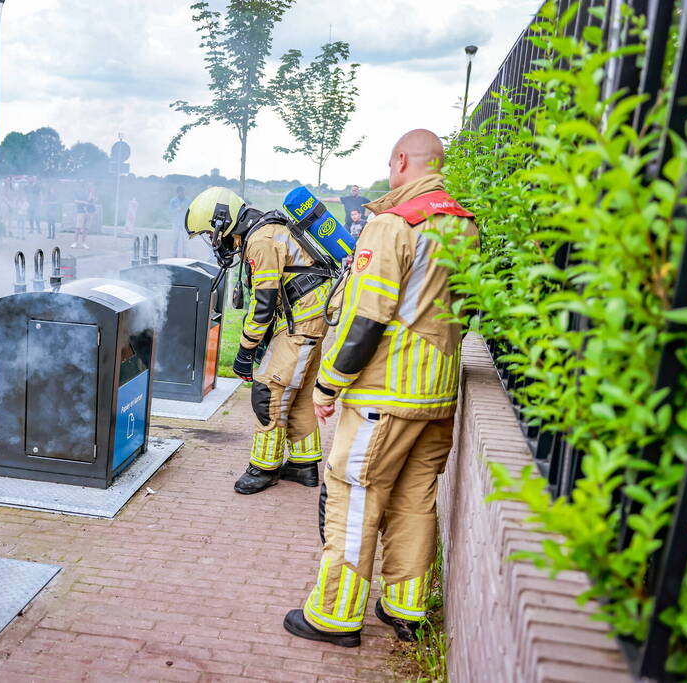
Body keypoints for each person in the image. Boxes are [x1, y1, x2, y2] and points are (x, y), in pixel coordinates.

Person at [282, 129, 478, 648]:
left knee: (354, 494)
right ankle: (405, 605)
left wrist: (327, 385)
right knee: (415, 499)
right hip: (438, 398)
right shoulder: (465, 225)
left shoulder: (394, 225)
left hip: (385, 397)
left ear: (401, 161)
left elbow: (365, 318)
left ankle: (334, 615)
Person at [184, 187, 334, 495]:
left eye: (209, 233)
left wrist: (245, 349)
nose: (213, 241)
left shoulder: (261, 240)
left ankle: (264, 469)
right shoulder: (264, 229)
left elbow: (263, 304)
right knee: (300, 393)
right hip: (312, 315)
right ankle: (304, 466)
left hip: (303, 321)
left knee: (268, 390)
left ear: (221, 222)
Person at [168, 186, 188, 257]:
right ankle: (174, 253)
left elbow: (191, 210)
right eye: (180, 192)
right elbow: (170, 211)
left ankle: (185, 254)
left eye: (183, 191)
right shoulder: (173, 201)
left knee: (185, 239)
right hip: (176, 222)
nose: (181, 193)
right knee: (175, 239)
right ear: (177, 193)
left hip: (185, 223)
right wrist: (177, 209)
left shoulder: (188, 200)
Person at [71, 182, 89, 249]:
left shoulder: (87, 193)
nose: (83, 188)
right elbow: (75, 201)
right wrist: (83, 202)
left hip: (88, 212)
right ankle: (75, 242)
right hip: (80, 212)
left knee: (86, 229)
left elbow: (90, 202)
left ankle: (83, 243)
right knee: (78, 228)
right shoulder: (77, 193)